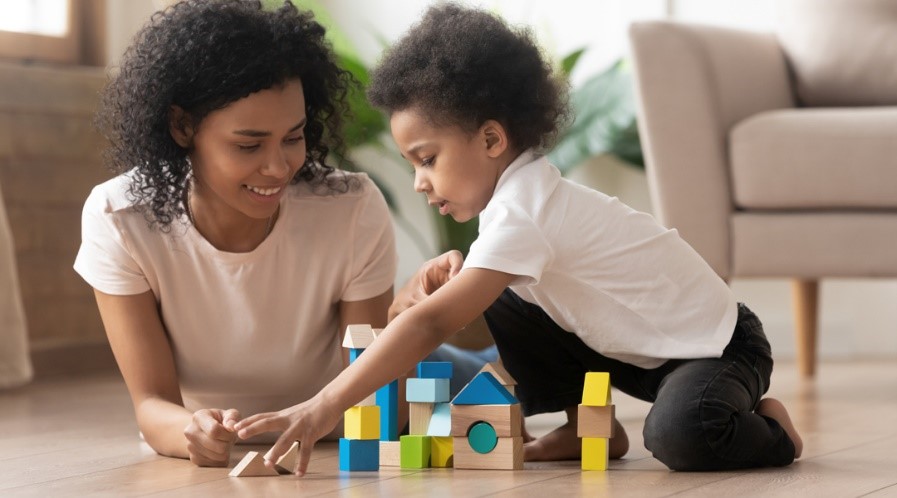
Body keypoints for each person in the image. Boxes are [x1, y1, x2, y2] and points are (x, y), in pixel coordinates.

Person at [235, 3, 803, 475]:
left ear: (491, 139)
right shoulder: (518, 204)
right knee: (505, 291)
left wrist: (323, 404)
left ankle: (773, 430)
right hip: (636, 351)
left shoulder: (525, 210)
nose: (418, 181)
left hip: (718, 349)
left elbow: (432, 324)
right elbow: (453, 310)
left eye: (427, 159)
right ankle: (587, 429)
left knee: (682, 435)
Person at [74, 0, 491, 469]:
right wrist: (190, 431)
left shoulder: (347, 207)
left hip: (364, 403)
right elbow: (151, 405)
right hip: (288, 430)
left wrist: (399, 314)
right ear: (182, 126)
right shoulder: (121, 218)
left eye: (293, 137)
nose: (278, 167)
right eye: (248, 144)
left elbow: (373, 393)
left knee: (503, 375)